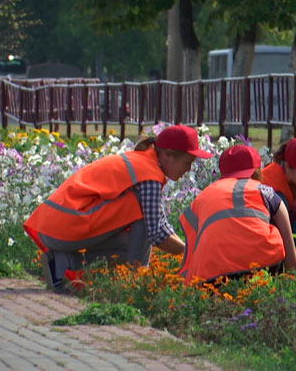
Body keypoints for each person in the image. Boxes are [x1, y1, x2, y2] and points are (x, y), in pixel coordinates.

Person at [23, 125, 212, 291]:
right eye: (187, 163)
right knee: (142, 213)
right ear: (168, 155)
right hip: (64, 228)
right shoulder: (148, 174)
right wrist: (191, 253)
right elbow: (157, 233)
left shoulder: (142, 162)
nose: (188, 170)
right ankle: (135, 282)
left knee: (128, 243)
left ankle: (64, 263)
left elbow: (160, 225)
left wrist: (187, 248)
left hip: (55, 228)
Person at [177, 145, 296, 285]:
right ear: (257, 170)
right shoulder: (265, 191)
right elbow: (292, 260)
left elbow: (191, 250)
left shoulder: (203, 196)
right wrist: (293, 289)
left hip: (210, 275)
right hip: (261, 266)